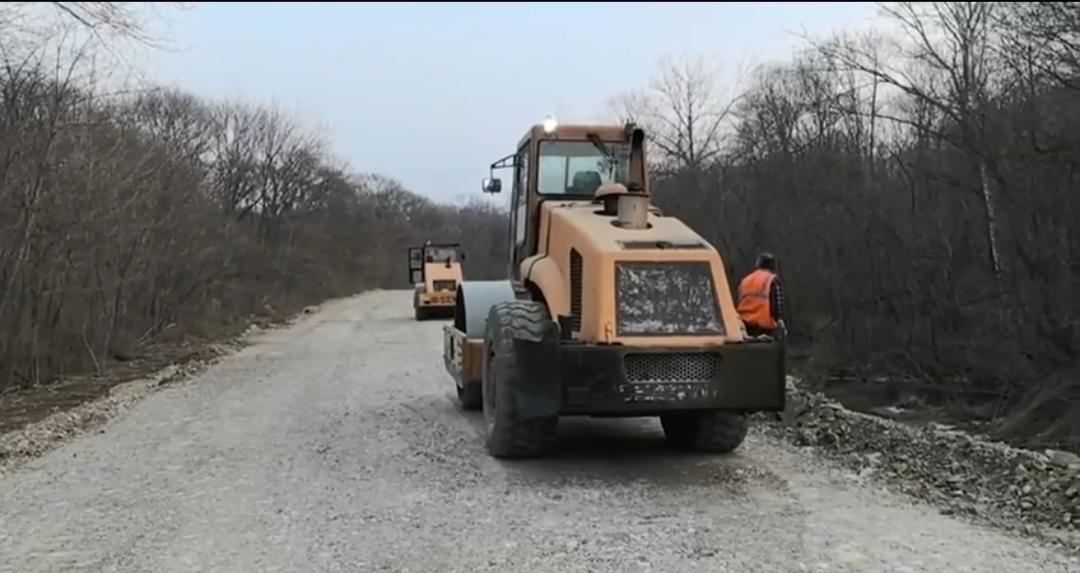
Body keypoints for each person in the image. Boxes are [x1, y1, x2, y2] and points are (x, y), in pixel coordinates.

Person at [737, 252, 786, 339]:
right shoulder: (771, 279)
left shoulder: (745, 280)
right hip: (764, 325)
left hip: (744, 324)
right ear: (773, 266)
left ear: (758, 264)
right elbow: (777, 303)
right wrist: (779, 319)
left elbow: (739, 301)